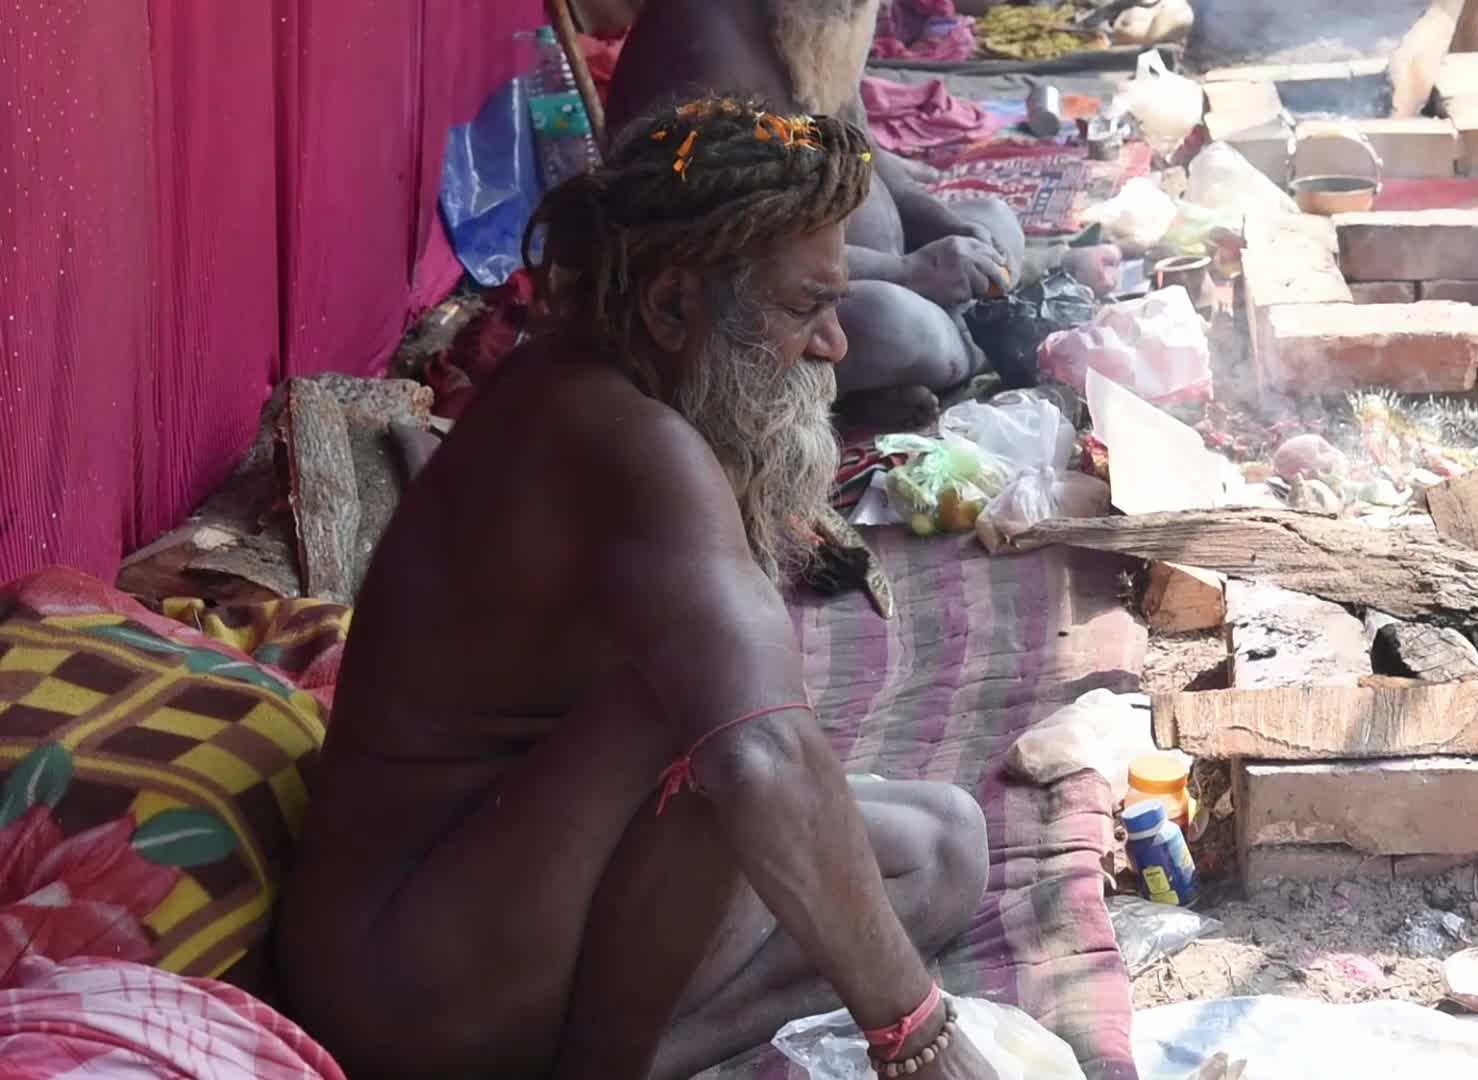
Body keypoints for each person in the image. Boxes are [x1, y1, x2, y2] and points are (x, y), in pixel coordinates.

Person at [275, 97, 995, 1080]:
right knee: (711, 726)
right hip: (412, 978)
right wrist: (920, 1036)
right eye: (803, 306)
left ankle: (622, 1059)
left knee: (945, 848)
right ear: (670, 306)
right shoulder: (623, 439)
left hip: (505, 905)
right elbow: (758, 752)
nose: (833, 345)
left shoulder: (614, 394)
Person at [604, 0, 1119, 419]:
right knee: (907, 328)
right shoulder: (712, 48)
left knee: (992, 219)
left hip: (846, 266)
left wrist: (934, 218)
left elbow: (857, 138)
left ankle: (968, 329)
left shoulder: (808, 22)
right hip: (767, 306)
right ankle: (978, 341)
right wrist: (909, 271)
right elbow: (746, 259)